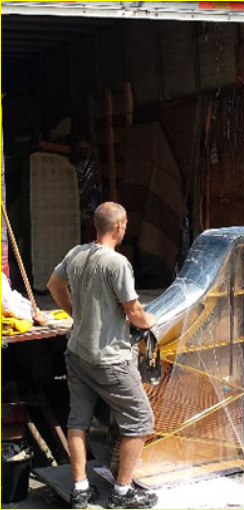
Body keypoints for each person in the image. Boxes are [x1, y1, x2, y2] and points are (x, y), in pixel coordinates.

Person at [47, 202, 158, 509]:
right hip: (110, 359)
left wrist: (76, 314)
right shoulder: (117, 263)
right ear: (119, 226)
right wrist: (150, 321)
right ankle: (122, 493)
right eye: (125, 224)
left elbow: (54, 284)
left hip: (77, 353)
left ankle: (80, 490)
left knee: (78, 419)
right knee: (140, 420)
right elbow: (134, 311)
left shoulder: (76, 253)